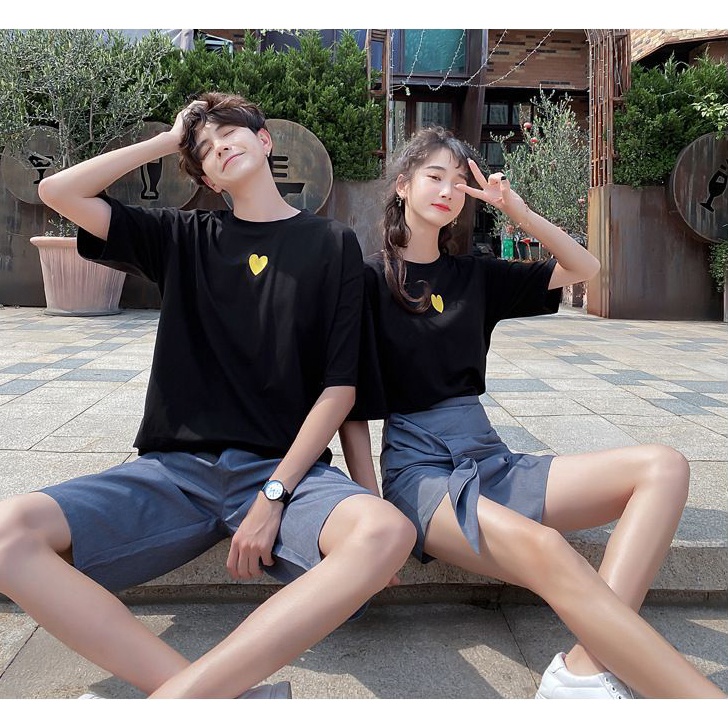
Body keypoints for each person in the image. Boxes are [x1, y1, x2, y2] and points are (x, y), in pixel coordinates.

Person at [0, 92, 416, 699]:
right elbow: (58, 192)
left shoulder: (331, 244)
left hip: (285, 474)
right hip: (175, 474)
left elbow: (339, 389)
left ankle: (180, 704)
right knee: (8, 532)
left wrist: (274, 495)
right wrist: (169, 140)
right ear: (205, 179)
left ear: (265, 139)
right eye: (203, 148)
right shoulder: (182, 237)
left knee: (386, 533)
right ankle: (220, 701)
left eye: (230, 131)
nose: (219, 145)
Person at [339, 126, 726, 699]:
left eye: (458, 181)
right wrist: (371, 511)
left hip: (489, 459)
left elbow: (584, 267)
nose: (446, 190)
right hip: (420, 475)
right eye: (434, 176)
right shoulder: (367, 279)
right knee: (548, 547)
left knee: (664, 467)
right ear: (402, 185)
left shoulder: (475, 274)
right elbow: (349, 406)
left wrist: (514, 208)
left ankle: (584, 669)